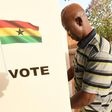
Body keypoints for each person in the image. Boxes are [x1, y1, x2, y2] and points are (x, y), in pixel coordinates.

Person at [61, 3, 112, 112]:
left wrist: (60, 103)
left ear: (79, 21)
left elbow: (87, 97)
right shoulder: (83, 46)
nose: (68, 33)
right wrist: (57, 82)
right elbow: (74, 69)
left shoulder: (99, 51)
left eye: (68, 29)